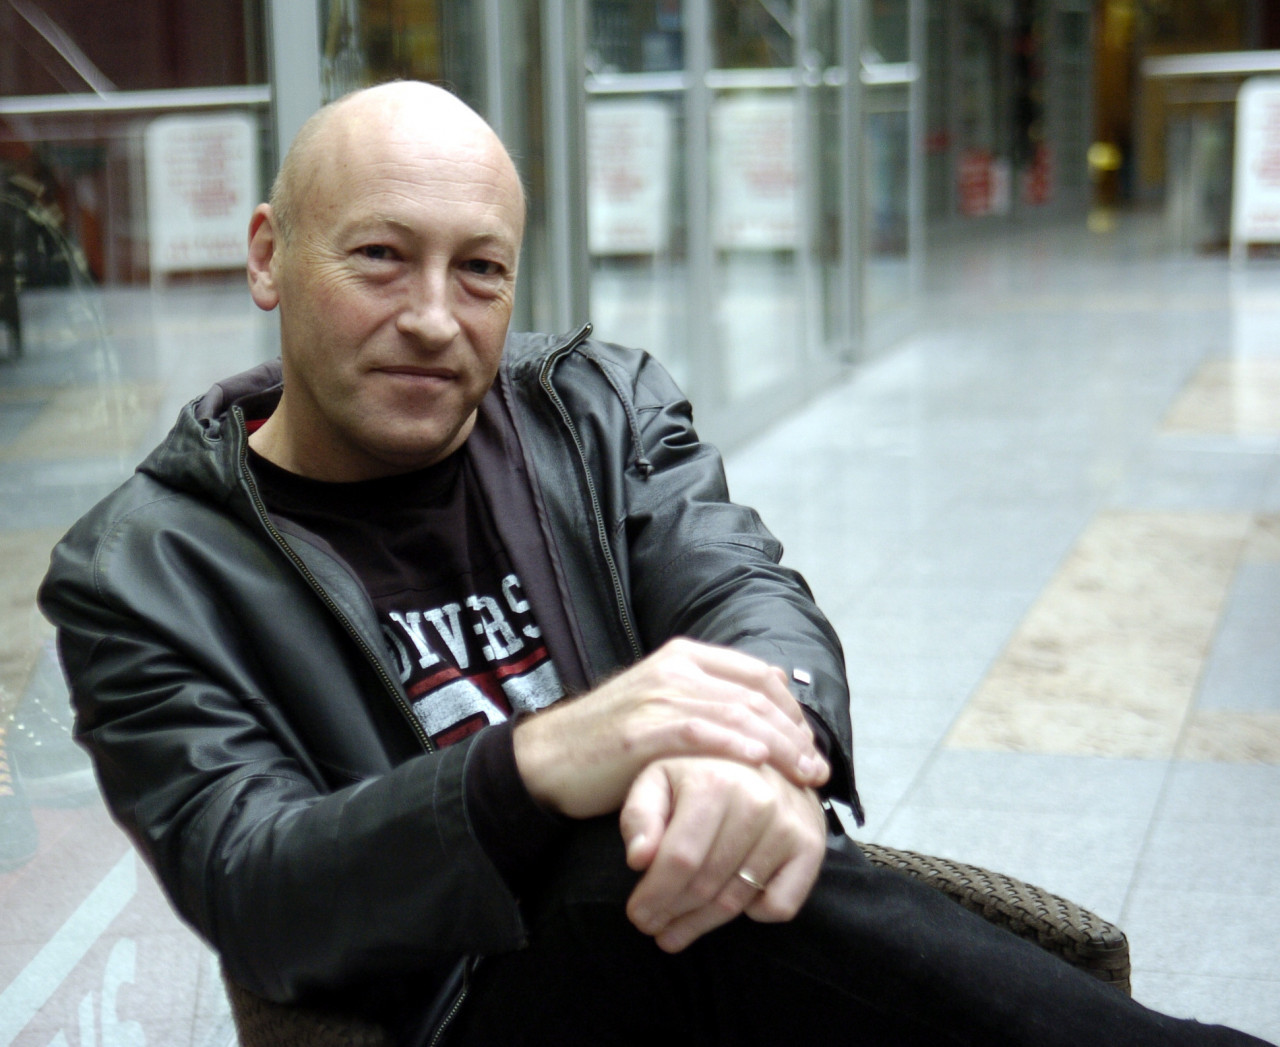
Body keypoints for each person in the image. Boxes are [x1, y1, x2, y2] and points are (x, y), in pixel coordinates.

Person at [39, 81, 1272, 1047]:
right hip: (463, 1006)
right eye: (378, 257)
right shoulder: (144, 571)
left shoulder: (595, 412)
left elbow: (751, 602)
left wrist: (762, 764)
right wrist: (537, 765)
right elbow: (254, 885)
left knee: (689, 856)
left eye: (479, 269)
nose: (433, 317)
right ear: (267, 256)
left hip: (707, 955)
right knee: (630, 860)